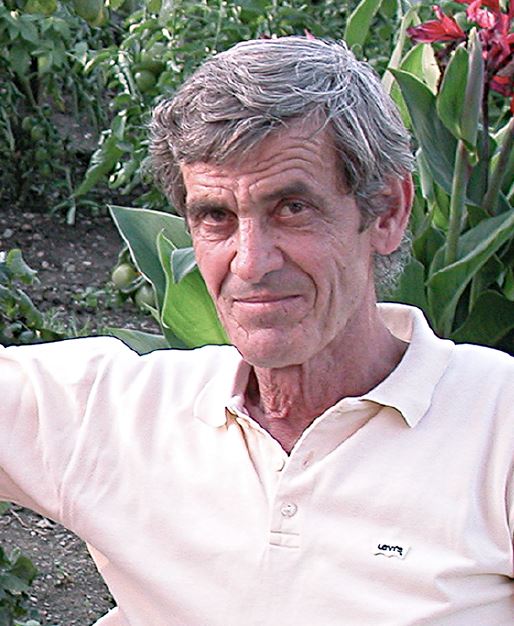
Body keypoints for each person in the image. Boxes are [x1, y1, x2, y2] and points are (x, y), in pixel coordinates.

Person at [1, 36, 513, 626]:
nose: (251, 262)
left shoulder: (497, 425)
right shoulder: (114, 412)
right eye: (215, 217)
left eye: (292, 208)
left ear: (388, 212)